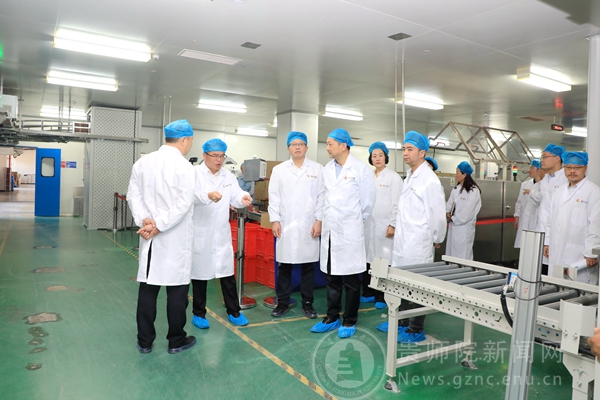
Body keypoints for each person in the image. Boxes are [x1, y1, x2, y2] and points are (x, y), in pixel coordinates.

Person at [126, 119, 197, 354]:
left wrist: (145, 220)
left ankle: (144, 341)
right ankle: (176, 340)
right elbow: (183, 204)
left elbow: (133, 195)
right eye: (190, 140)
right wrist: (160, 225)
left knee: (148, 289)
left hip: (149, 238)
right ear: (184, 140)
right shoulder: (185, 167)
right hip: (175, 238)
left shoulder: (142, 162)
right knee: (177, 292)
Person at [310, 128, 375, 339]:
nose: (327, 148)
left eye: (330, 144)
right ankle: (331, 317)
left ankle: (349, 319)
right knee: (332, 277)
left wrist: (352, 222)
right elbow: (323, 197)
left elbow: (367, 203)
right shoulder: (327, 169)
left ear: (343, 145)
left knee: (351, 280)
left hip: (350, 232)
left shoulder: (361, 169)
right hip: (331, 232)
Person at [388, 130, 446, 343]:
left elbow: (437, 215)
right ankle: (402, 322)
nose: (405, 153)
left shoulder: (429, 180)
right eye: (404, 149)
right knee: (402, 284)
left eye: (409, 149)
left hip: (418, 243)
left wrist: (437, 238)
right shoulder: (410, 177)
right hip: (404, 242)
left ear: (422, 153)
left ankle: (416, 328)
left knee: (419, 287)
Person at [190, 139, 253, 329]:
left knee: (227, 274)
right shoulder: (194, 173)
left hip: (221, 232)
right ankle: (198, 313)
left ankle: (234, 311)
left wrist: (243, 198)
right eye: (215, 156)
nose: (219, 160)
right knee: (200, 276)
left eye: (222, 156)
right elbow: (189, 196)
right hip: (201, 231)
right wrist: (208, 196)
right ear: (204, 155)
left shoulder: (228, 176)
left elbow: (236, 195)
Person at [268, 131, 324, 318]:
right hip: (286, 224)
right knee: (285, 265)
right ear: (288, 148)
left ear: (307, 147)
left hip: (309, 224)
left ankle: (308, 303)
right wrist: (275, 220)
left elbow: (322, 197)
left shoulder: (318, 169)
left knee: (308, 266)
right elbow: (274, 196)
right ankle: (282, 302)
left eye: (301, 144)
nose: (297, 147)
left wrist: (319, 220)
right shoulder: (279, 170)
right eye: (294, 144)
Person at [543, 152, 600, 284]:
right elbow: (550, 220)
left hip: (580, 254)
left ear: (585, 168)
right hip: (557, 248)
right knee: (555, 286)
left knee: (579, 289)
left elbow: (596, 224)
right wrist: (547, 242)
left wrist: (591, 252)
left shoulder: (594, 192)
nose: (572, 171)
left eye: (577, 168)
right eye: (568, 167)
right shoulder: (559, 191)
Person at [361, 141, 402, 309]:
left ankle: (381, 295)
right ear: (370, 158)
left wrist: (393, 224)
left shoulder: (393, 177)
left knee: (383, 260)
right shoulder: (367, 176)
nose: (377, 158)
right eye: (374, 156)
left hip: (385, 226)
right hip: (368, 226)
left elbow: (397, 203)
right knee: (368, 259)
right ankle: (368, 292)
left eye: (380, 155)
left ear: (386, 157)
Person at [537, 143, 567, 273]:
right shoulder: (546, 179)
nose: (541, 160)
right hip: (543, 231)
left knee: (555, 271)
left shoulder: (565, 179)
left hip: (556, 234)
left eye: (545, 157)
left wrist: (548, 240)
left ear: (557, 159)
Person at [445, 161, 481, 260]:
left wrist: (453, 218)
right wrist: (447, 213)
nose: (455, 175)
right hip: (453, 228)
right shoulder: (456, 189)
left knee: (463, 256)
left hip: (464, 230)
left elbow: (467, 213)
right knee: (452, 256)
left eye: (457, 173)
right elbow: (449, 204)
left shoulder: (473, 191)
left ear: (464, 175)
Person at [514, 159, 541, 249]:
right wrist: (517, 217)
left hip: (535, 221)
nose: (530, 170)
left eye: (532, 168)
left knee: (533, 246)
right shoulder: (525, 184)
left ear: (538, 170)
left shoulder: (544, 185)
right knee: (523, 245)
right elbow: (519, 202)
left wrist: (531, 193)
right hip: (523, 219)